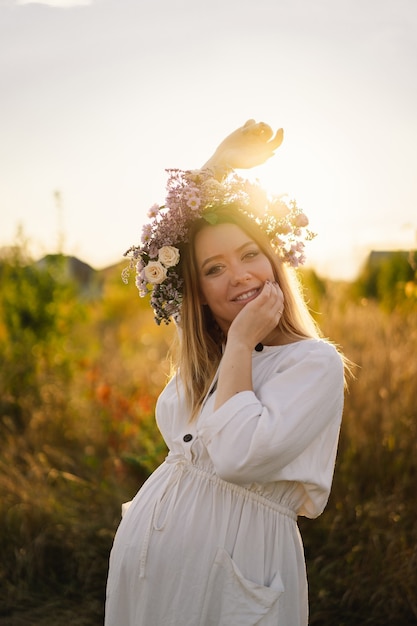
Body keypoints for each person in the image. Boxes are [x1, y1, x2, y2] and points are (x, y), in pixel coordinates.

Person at [105, 120, 346, 626]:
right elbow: (162, 252)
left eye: (250, 254)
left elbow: (238, 455)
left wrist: (239, 340)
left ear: (275, 263)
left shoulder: (312, 362)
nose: (237, 275)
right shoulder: (205, 362)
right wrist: (216, 165)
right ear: (198, 293)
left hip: (235, 571)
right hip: (150, 570)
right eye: (212, 269)